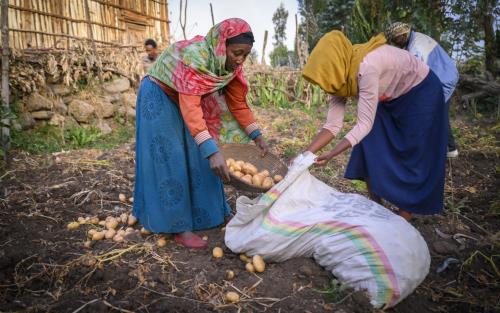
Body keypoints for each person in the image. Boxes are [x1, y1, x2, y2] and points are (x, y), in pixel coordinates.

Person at [134, 18, 268, 249]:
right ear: (221, 46)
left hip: (186, 99)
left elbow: (238, 104)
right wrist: (211, 150)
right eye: (237, 53)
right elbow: (191, 108)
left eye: (245, 55)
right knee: (172, 157)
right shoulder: (195, 58)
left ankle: (214, 214)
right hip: (159, 93)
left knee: (203, 155)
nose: (240, 60)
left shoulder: (230, 67)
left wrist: (258, 136)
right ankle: (178, 226)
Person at [300, 30, 448, 221]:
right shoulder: (339, 77)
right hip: (389, 94)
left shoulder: (366, 67)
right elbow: (333, 125)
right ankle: (377, 210)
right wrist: (305, 155)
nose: (325, 87)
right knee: (369, 147)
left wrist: (332, 153)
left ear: (335, 65)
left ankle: (403, 221)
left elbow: (364, 125)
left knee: (413, 154)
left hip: (421, 92)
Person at [384, 22, 459, 158]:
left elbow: (414, 76)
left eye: (396, 39)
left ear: (404, 35)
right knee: (434, 111)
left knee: (434, 111)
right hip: (441, 74)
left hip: (444, 78)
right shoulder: (415, 38)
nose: (395, 43)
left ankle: (448, 148)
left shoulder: (415, 48)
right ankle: (445, 147)